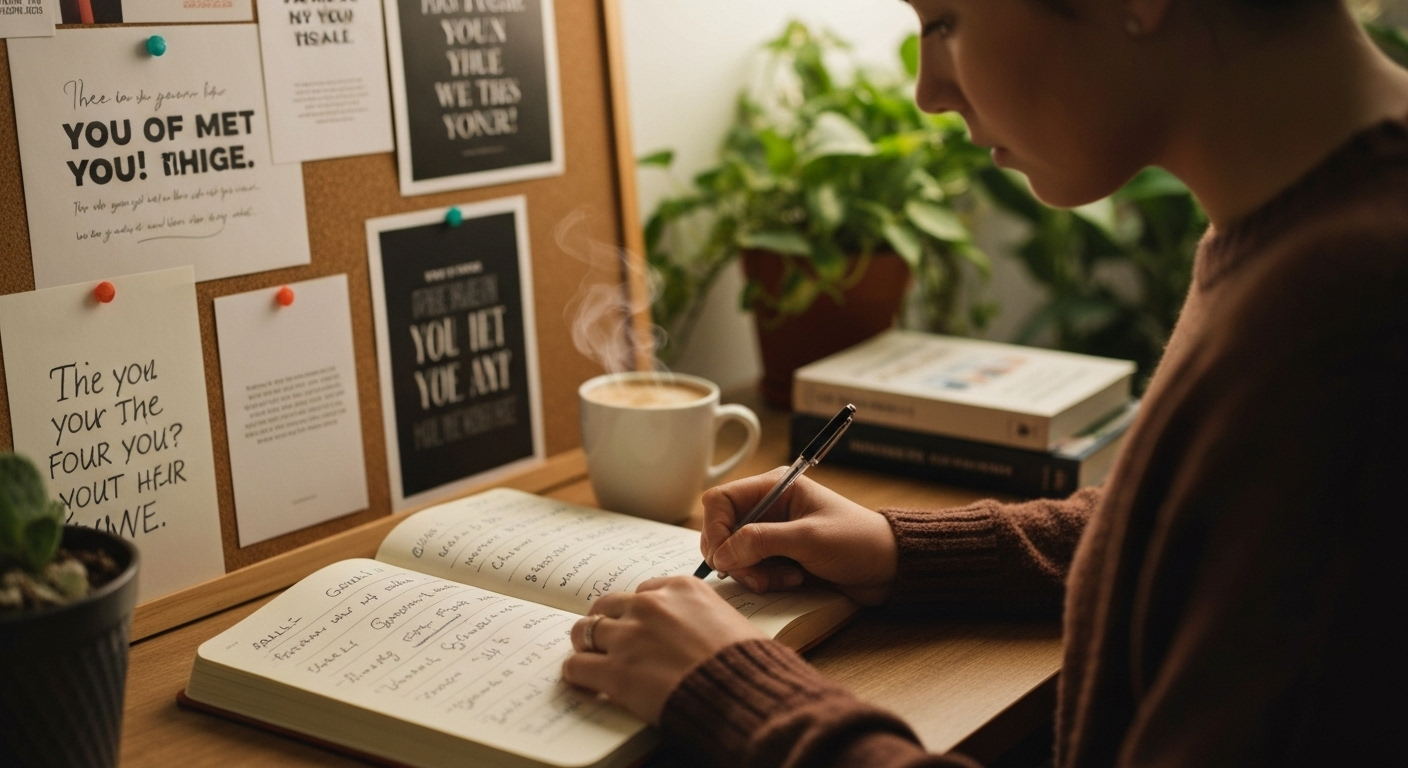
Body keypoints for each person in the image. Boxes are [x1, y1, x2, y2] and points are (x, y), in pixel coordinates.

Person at [562, 0, 1408, 765]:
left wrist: (738, 693)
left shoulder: (1346, 325)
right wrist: (906, 551)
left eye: (945, 21)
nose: (930, 91)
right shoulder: (1311, 228)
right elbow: (1205, 526)